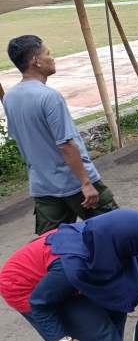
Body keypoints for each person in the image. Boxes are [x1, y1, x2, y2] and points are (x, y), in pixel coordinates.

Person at [0, 208, 138, 341]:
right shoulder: (71, 266)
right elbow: (40, 303)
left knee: (115, 304)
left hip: (58, 274)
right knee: (92, 326)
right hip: (25, 286)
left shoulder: (101, 238)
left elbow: (124, 264)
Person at [3, 36, 118, 235]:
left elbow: (20, 138)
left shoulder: (10, 98)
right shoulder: (49, 97)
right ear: (35, 61)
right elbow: (65, 144)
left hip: (43, 186)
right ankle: (133, 266)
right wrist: (86, 183)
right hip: (75, 183)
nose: (52, 57)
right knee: (115, 230)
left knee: (51, 246)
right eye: (47, 53)